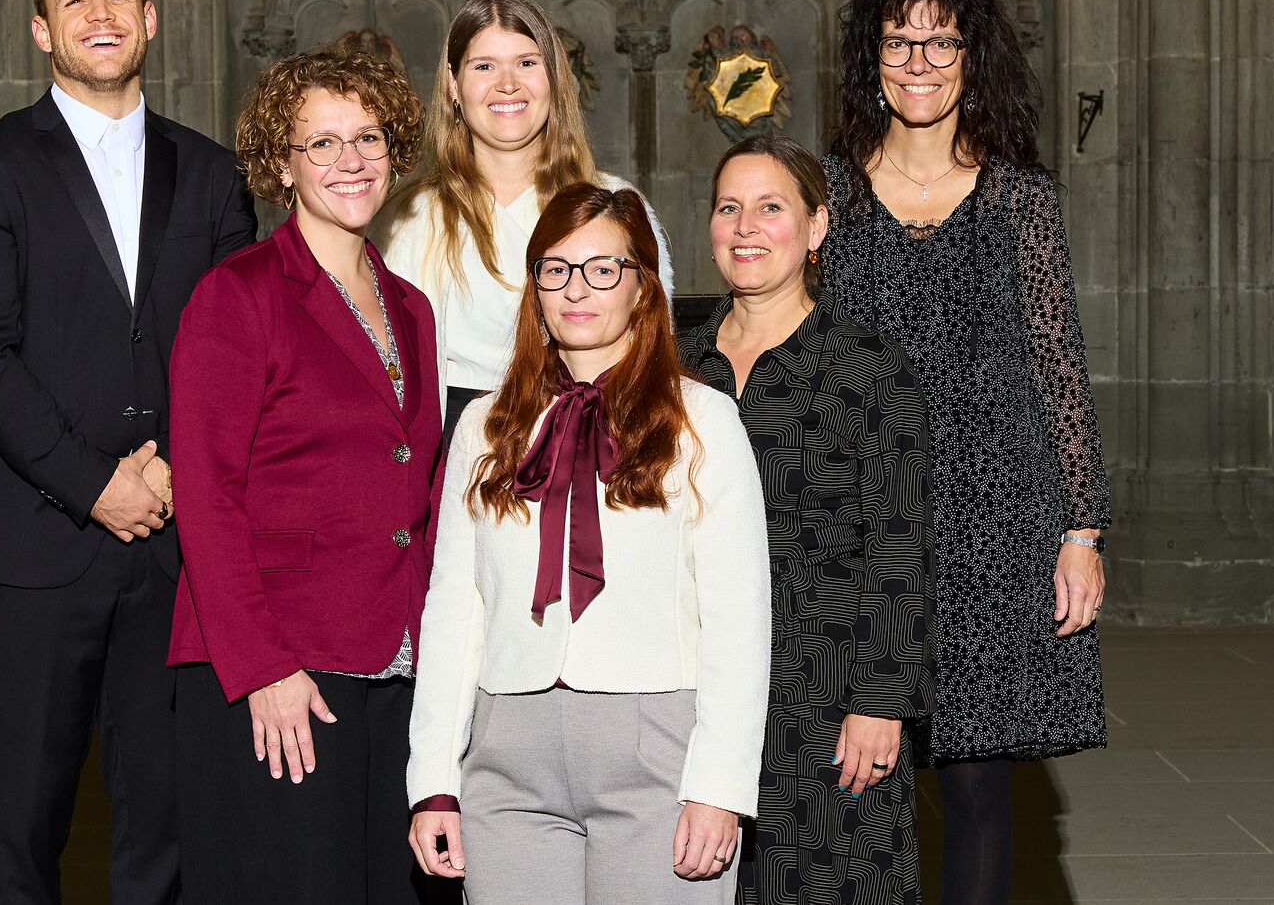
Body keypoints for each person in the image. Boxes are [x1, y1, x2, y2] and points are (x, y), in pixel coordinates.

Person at [0, 0, 256, 903]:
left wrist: (167, 477)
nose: (100, 15)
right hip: (38, 544)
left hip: (176, 544)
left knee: (165, 817)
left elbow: (232, 348)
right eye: (75, 1)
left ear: (150, 20)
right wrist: (94, 483)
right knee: (27, 819)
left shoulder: (210, 172)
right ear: (41, 31)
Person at [821, 0, 1111, 905]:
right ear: (872, 57)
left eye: (940, 41)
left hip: (998, 530)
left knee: (982, 791)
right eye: (899, 41)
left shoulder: (1021, 198)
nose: (918, 60)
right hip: (871, 526)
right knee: (865, 786)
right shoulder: (832, 201)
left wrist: (1080, 531)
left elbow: (1058, 365)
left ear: (971, 57)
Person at [406, 184, 771, 904]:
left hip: (655, 749)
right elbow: (454, 611)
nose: (578, 288)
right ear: (534, 285)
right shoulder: (484, 426)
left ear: (642, 287)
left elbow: (739, 618)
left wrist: (720, 785)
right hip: (507, 755)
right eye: (557, 268)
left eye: (604, 268)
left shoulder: (703, 421)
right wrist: (433, 782)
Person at [165, 49, 445, 904]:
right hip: (283, 669)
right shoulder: (238, 293)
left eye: (366, 137)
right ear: (280, 164)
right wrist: (262, 669)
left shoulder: (410, 306)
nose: (349, 160)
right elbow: (207, 497)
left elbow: (417, 484)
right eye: (319, 143)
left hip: (394, 662)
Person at [678, 135, 933, 904]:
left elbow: (901, 543)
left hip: (827, 690)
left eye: (770, 207)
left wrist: (881, 700)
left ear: (816, 228)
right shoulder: (676, 368)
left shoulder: (869, 367)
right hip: (702, 690)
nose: (746, 226)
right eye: (729, 208)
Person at [380, 0, 674, 440]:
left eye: (527, 62)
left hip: (591, 431)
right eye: (484, 66)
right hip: (453, 440)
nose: (507, 84)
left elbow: (652, 345)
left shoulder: (613, 202)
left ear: (554, 79)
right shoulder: (409, 217)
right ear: (453, 86)